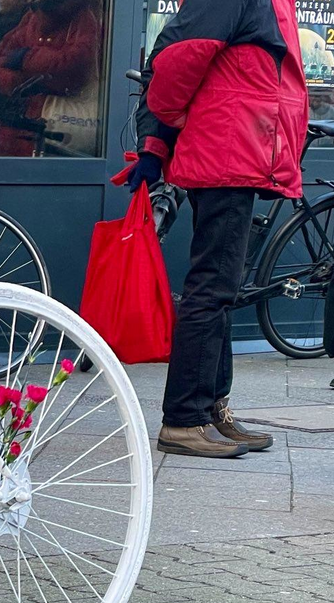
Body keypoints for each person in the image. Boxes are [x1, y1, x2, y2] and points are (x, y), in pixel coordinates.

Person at [131, 0, 307, 458]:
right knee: (212, 287)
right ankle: (184, 419)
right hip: (228, 153)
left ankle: (211, 409)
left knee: (222, 288)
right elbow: (175, 58)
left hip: (239, 151)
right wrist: (163, 130)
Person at [0, 0, 102, 157]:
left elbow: (74, 68)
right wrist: (29, 80)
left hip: (50, 136)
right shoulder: (32, 18)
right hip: (20, 131)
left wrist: (26, 59)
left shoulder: (83, 19)